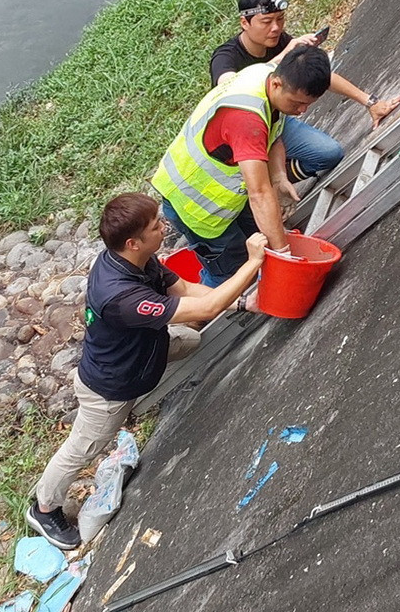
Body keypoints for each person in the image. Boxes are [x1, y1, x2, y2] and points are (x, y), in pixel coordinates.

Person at [26, 193, 267, 549]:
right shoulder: (121, 296)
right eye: (157, 225)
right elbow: (209, 304)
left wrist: (244, 302)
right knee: (82, 449)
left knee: (187, 338)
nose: (164, 227)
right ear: (133, 242)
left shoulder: (138, 260)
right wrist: (252, 263)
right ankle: (44, 509)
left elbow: (187, 290)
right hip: (109, 388)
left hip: (143, 354)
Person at [152, 44, 331, 287]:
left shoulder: (266, 76)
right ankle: (198, 318)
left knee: (259, 243)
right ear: (278, 84)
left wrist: (279, 177)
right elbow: (259, 193)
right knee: (230, 273)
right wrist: (284, 256)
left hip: (225, 198)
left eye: (307, 105)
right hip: (197, 206)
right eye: (297, 103)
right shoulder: (246, 119)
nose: (301, 111)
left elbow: (275, 134)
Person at [209, 0, 400, 181]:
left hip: (275, 123)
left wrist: (370, 102)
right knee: (247, 188)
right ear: (244, 23)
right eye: (266, 21)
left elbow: (316, 76)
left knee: (330, 154)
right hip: (239, 134)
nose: (276, 28)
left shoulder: (279, 40)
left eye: (280, 19)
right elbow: (229, 87)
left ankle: (278, 176)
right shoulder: (225, 56)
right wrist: (285, 55)